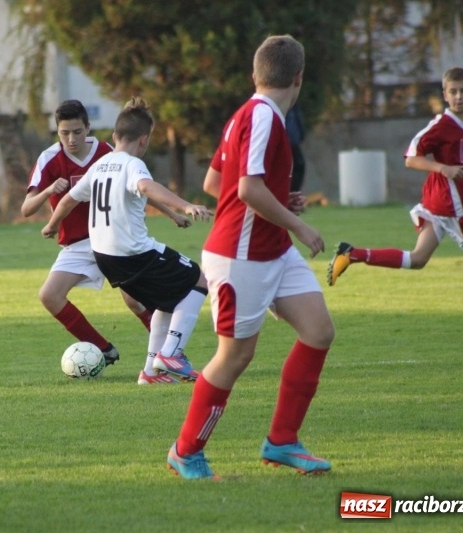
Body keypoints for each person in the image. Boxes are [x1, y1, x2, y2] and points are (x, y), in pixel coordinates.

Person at [167, 35, 335, 480]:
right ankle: (185, 452)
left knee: (318, 332)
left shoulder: (248, 114)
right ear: (298, 79)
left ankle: (282, 441)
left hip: (271, 250)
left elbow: (213, 182)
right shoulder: (264, 117)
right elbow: (245, 189)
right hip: (241, 257)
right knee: (235, 357)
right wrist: (299, 224)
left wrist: (281, 202)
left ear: (256, 74)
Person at [41, 97, 213, 385]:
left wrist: (51, 225)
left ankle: (150, 372)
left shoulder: (100, 164)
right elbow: (146, 187)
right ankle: (172, 354)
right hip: (133, 253)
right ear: (144, 140)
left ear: (114, 136)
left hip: (107, 259)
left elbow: (68, 200)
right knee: (199, 280)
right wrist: (185, 206)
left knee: (165, 304)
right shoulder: (133, 164)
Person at [328, 67, 463, 331]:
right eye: (453, 92)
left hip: (440, 202)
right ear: (445, 95)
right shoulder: (440, 126)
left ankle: (353, 255)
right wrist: (442, 168)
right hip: (452, 204)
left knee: (418, 259)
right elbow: (411, 158)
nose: (459, 96)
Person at [286, 102, 306, 192]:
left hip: (294, 141)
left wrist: (301, 134)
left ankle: (293, 193)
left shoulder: (293, 104)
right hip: (288, 141)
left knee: (299, 166)